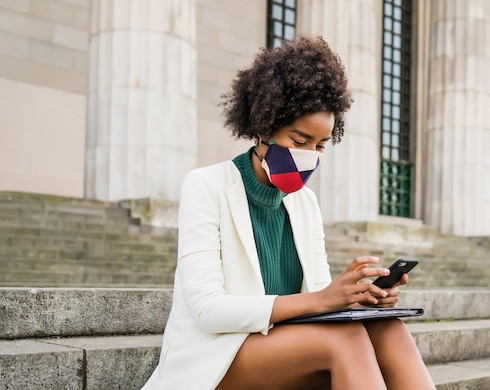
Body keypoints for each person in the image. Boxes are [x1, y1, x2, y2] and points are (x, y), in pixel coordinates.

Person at [142, 35, 435, 390]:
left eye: (320, 145)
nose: (310, 154)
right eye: (299, 141)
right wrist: (323, 298)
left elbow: (316, 296)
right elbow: (207, 310)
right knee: (345, 340)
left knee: (387, 326)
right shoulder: (206, 185)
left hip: (289, 343)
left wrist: (360, 295)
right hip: (217, 356)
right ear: (265, 127)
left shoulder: (304, 202)